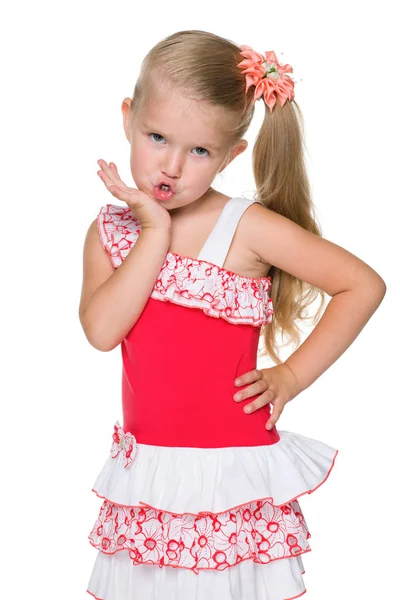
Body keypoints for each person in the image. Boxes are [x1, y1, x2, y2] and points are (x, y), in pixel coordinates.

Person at [79, 30, 386, 600]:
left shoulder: (246, 228)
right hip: (150, 478)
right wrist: (153, 232)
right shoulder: (112, 235)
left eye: (199, 151)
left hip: (230, 479)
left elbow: (361, 285)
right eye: (156, 136)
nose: (170, 164)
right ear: (128, 118)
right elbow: (102, 332)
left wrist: (290, 375)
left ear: (230, 155)